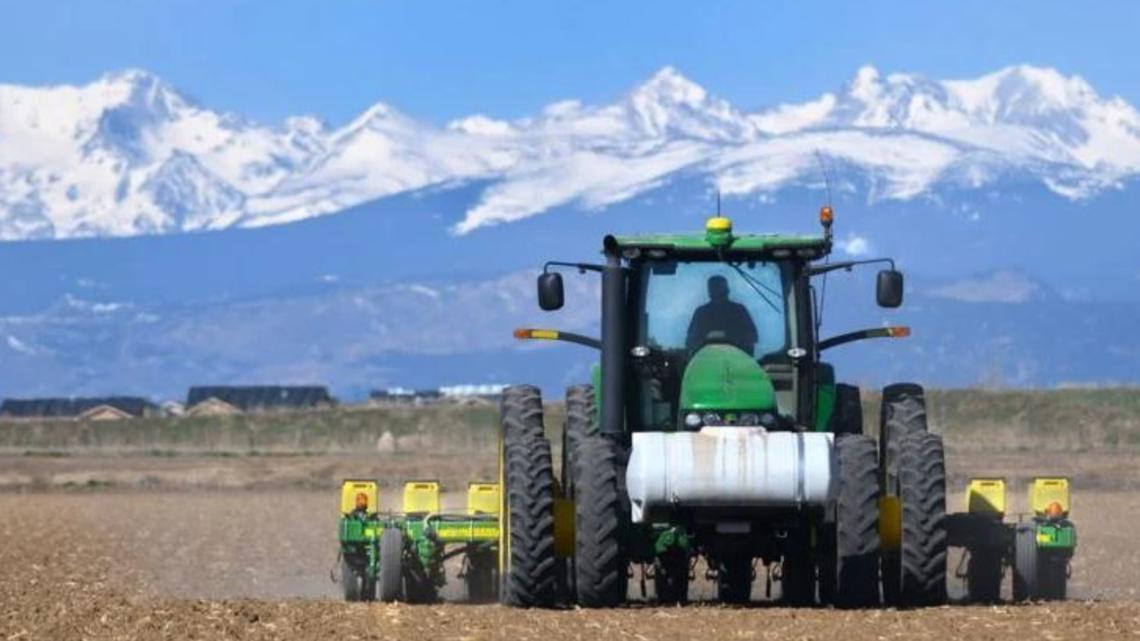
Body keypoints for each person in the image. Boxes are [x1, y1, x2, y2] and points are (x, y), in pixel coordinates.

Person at [686, 275, 758, 354]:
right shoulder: (700, 312)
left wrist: (731, 340)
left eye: (718, 287)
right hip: (708, 360)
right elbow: (690, 341)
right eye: (714, 287)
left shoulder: (739, 310)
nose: (716, 291)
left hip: (736, 360)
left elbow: (752, 337)